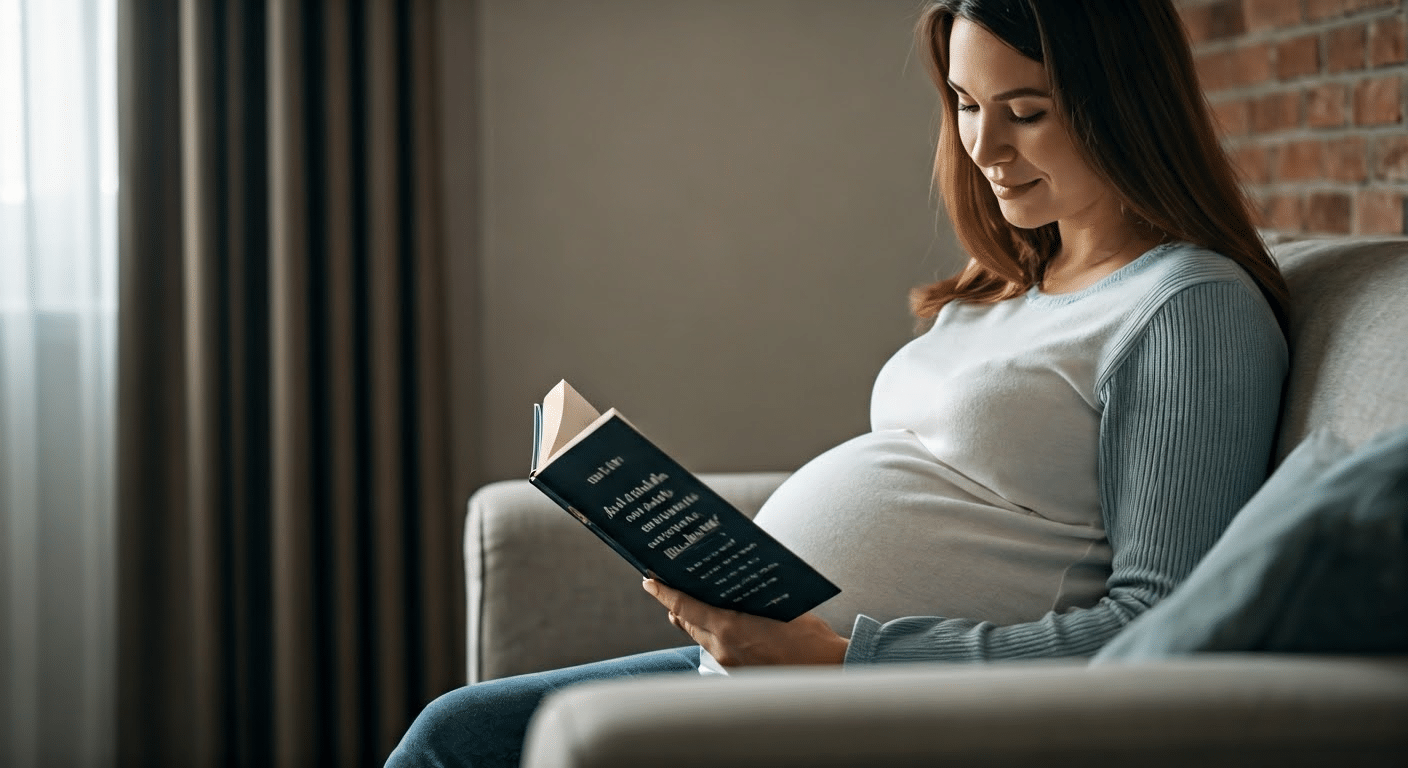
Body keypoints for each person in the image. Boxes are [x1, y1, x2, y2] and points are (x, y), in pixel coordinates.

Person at [386, 0, 1289, 764]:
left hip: (868, 700)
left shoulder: (1187, 307)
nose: (984, 147)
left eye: (1027, 110)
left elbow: (1161, 623)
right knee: (455, 731)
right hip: (779, 673)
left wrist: (842, 660)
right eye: (967, 104)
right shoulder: (1013, 281)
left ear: (1124, 106)